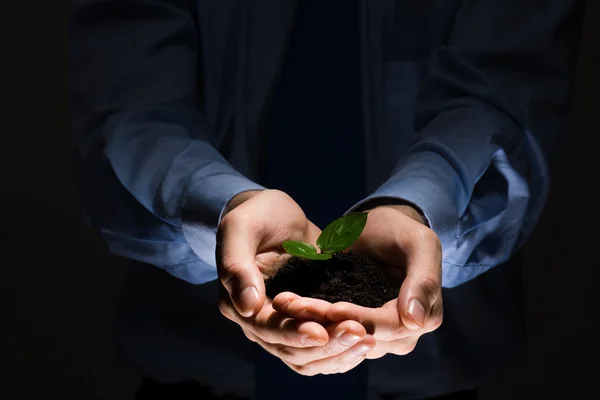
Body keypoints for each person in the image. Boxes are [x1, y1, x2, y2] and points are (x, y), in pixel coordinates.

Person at [66, 1, 583, 399]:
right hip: (192, 380)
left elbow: (503, 100)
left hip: (426, 389)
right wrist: (228, 206)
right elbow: (131, 112)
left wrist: (415, 209)